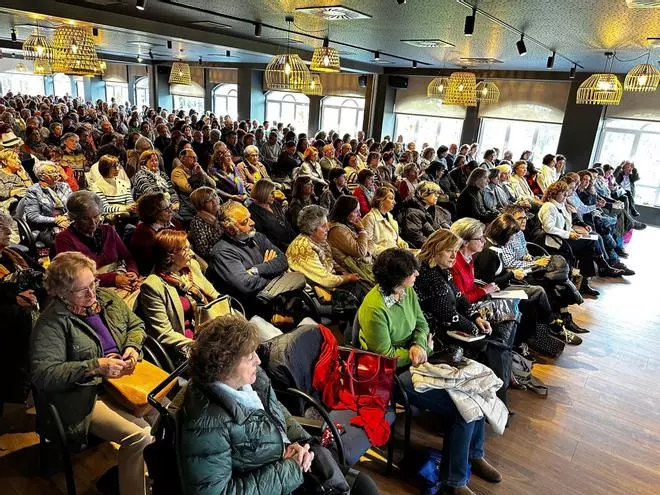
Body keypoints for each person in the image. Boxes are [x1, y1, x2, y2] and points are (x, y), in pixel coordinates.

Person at [179, 315, 379, 495]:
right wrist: (290, 467)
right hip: (278, 479)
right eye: (249, 357)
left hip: (291, 461)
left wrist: (305, 444)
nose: (258, 360)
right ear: (224, 367)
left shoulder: (251, 381)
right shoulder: (206, 425)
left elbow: (276, 411)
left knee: (364, 485)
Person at [358, 248, 501, 495]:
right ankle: (454, 482)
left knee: (477, 390)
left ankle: (474, 455)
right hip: (391, 374)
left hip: (419, 359)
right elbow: (383, 355)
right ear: (394, 278)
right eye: (410, 272)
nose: (416, 273)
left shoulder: (407, 291)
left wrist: (419, 344)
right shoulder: (374, 308)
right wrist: (414, 353)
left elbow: (421, 323)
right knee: (462, 408)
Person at [30, 252, 151, 495]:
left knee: (167, 411)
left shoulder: (105, 298)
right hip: (84, 395)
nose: (92, 293)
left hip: (123, 380)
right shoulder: (51, 323)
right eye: (81, 290)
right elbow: (43, 374)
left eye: (93, 283)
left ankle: (143, 475)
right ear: (61, 292)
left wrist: (132, 348)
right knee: (140, 435)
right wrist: (95, 366)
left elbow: (136, 325)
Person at [139, 229, 219, 362]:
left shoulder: (191, 267)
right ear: (169, 255)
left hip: (212, 329)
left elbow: (214, 295)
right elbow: (165, 334)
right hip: (188, 343)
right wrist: (200, 346)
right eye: (185, 250)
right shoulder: (153, 286)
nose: (192, 253)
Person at [55, 191, 141, 298]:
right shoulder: (64, 238)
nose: (93, 223)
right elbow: (74, 276)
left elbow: (128, 257)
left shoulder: (108, 230)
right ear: (74, 218)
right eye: (85, 218)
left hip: (123, 278)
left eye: (96, 217)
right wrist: (113, 279)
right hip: (91, 288)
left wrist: (133, 272)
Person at [0, 213, 44, 405]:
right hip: (7, 313)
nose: (9, 231)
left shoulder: (12, 254)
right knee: (22, 317)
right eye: (2, 229)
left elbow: (41, 274)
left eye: (8, 227)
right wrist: (13, 296)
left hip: (27, 304)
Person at [208, 201, 288, 307]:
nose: (252, 222)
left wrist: (257, 270)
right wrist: (273, 271)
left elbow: (283, 260)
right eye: (245, 221)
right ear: (230, 229)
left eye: (249, 217)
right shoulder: (223, 252)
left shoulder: (257, 236)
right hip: (254, 308)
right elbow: (245, 285)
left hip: (276, 297)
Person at [537, 181, 603, 296]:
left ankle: (584, 280)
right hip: (555, 241)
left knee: (591, 242)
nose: (565, 196)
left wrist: (573, 232)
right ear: (554, 193)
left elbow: (566, 225)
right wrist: (569, 234)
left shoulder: (561, 206)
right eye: (563, 194)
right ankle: (588, 277)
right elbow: (549, 228)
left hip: (564, 238)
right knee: (588, 246)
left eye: (566, 194)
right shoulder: (549, 206)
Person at [286, 205, 362, 291]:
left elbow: (328, 259)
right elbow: (325, 280)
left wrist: (341, 271)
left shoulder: (317, 239)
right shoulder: (303, 248)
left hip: (325, 282)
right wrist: (347, 278)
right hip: (316, 291)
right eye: (323, 226)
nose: (328, 229)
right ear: (311, 229)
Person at [327, 195, 375, 285]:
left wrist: (367, 252)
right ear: (346, 212)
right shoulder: (337, 230)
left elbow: (372, 243)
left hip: (364, 264)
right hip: (355, 272)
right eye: (356, 211)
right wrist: (362, 231)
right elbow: (360, 252)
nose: (359, 215)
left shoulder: (350, 226)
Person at [449, 217, 499, 303]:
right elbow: (461, 300)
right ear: (465, 242)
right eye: (480, 238)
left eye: (483, 237)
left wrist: (489, 288)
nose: (484, 241)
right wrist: (484, 290)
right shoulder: (452, 263)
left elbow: (470, 287)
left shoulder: (468, 257)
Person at [23, 161, 73, 247]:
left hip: (67, 221)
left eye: (56, 171)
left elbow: (73, 207)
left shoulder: (64, 186)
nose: (56, 174)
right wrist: (56, 221)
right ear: (41, 176)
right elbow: (33, 216)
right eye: (51, 172)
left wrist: (65, 217)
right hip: (45, 228)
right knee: (64, 240)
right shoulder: (33, 191)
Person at [130, 192, 179, 276]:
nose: (171, 211)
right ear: (153, 213)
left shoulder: (174, 222)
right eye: (166, 209)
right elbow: (151, 265)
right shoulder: (143, 233)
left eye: (170, 206)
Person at [398, 181, 452, 249]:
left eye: (437, 193)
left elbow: (444, 224)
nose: (437, 195)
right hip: (426, 249)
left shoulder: (433, 208)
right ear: (423, 193)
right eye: (434, 193)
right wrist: (439, 246)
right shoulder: (412, 213)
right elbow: (417, 238)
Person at [247, 179, 297, 252]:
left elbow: (286, 223)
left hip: (291, 243)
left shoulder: (275, 203)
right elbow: (263, 238)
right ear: (263, 193)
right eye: (271, 193)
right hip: (278, 250)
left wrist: (296, 239)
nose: (274, 195)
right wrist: (286, 246)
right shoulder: (252, 212)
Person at [171, 148, 216, 222]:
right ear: (183, 158)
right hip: (188, 204)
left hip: (203, 200)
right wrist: (197, 176)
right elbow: (188, 189)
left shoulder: (197, 169)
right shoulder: (177, 172)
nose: (195, 160)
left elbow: (213, 184)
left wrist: (202, 173)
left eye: (196, 158)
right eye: (192, 157)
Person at [363, 186, 409, 255]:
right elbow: (367, 244)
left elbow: (394, 236)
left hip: (395, 254)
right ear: (380, 200)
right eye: (391, 198)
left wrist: (401, 242)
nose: (394, 202)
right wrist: (389, 252)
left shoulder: (389, 216)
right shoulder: (370, 218)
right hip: (382, 258)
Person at [188, 186, 224, 260]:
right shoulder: (197, 222)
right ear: (201, 205)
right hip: (219, 257)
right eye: (209, 200)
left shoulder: (224, 210)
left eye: (215, 196)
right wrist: (226, 251)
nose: (214, 201)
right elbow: (204, 250)